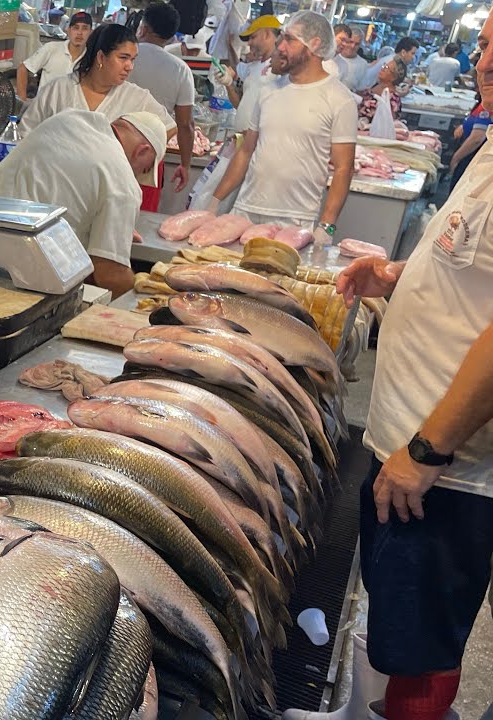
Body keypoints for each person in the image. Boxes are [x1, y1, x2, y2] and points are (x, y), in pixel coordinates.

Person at [320, 19, 493, 720]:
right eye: (487, 45)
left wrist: (427, 452)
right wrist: (396, 276)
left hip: (443, 469)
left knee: (419, 648)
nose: (487, 62)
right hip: (413, 448)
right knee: (398, 628)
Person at [0, 109, 168, 296]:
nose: (137, 176)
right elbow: (110, 274)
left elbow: (66, 193)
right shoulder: (123, 182)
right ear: (142, 151)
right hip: (24, 281)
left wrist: (111, 228)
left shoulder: (69, 119)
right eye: (144, 169)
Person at [208, 10, 356, 237]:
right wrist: (214, 202)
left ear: (314, 45)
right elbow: (246, 151)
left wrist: (327, 226)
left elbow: (343, 168)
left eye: (290, 39)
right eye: (282, 38)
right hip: (245, 210)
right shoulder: (269, 89)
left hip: (295, 220)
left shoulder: (339, 99)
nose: (280, 46)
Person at [21, 23, 174, 135]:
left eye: (132, 59)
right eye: (123, 58)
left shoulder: (136, 97)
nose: (129, 66)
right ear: (101, 57)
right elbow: (25, 134)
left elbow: (170, 128)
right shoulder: (58, 90)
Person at [128, 2, 195, 193]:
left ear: (144, 28)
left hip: (113, 144)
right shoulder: (180, 69)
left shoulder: (123, 56)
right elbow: (185, 124)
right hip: (151, 155)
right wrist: (185, 165)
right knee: (142, 216)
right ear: (171, 35)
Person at [17, 11, 93, 101]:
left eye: (84, 28)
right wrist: (22, 101)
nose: (80, 33)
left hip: (70, 112)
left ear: (90, 32)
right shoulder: (51, 48)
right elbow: (23, 69)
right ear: (68, 31)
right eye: (76, 28)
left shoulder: (91, 59)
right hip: (43, 110)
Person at [217, 14, 282, 114]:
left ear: (267, 34)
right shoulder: (253, 67)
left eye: (253, 37)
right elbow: (241, 106)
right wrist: (228, 84)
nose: (249, 43)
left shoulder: (280, 71)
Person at [357, 57, 407, 130]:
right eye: (384, 65)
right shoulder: (375, 85)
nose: (382, 69)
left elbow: (386, 125)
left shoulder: (392, 99)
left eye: (387, 68)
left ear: (394, 77)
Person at [333, 24, 370, 91]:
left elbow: (361, 89)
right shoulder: (333, 57)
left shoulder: (363, 64)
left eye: (357, 44)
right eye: (350, 42)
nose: (352, 46)